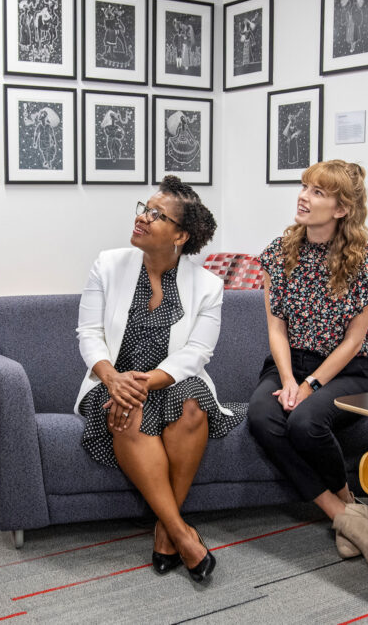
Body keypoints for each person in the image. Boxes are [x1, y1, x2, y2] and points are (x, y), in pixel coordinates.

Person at [75, 176, 242, 584]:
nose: (142, 218)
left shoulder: (208, 285)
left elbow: (197, 353)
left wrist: (144, 382)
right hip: (113, 381)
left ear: (180, 235)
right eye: (143, 208)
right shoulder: (108, 264)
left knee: (191, 407)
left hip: (168, 381)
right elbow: (89, 334)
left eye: (156, 215)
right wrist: (114, 379)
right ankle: (183, 534)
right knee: (127, 413)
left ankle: (166, 532)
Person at [247, 160, 368, 572]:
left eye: (317, 192)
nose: (303, 196)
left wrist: (309, 384)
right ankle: (345, 512)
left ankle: (348, 511)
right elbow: (276, 330)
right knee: (261, 415)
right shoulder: (279, 254)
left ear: (341, 208)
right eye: (304, 187)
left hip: (346, 370)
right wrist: (290, 378)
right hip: (287, 363)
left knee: (304, 421)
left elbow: (353, 342)